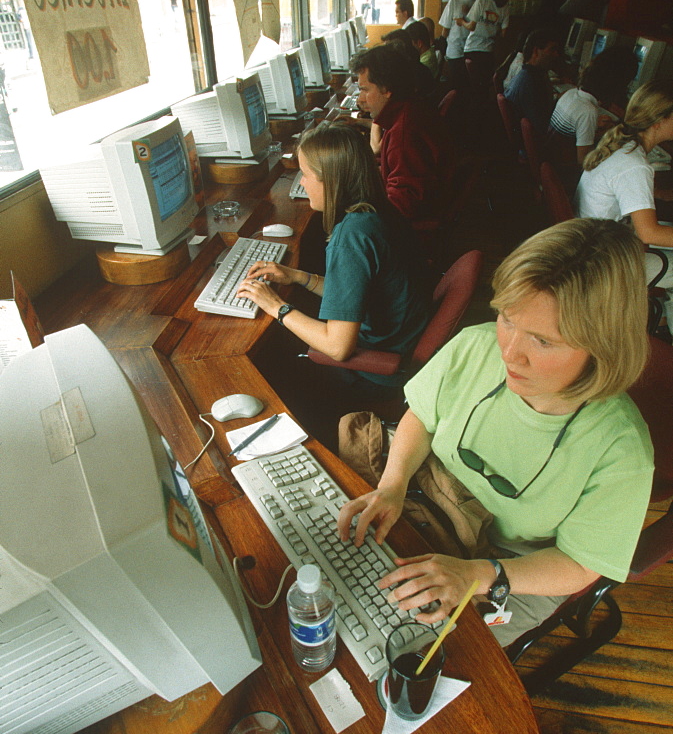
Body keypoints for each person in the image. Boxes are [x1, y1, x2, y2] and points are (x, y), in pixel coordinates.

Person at [336, 218, 654, 648]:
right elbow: (422, 416)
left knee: (413, 648)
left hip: (514, 564)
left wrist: (477, 574)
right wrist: (392, 486)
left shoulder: (621, 450)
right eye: (507, 318)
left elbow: (580, 564)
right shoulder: (475, 345)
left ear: (604, 344)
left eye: (542, 340)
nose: (509, 352)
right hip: (430, 497)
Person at [237, 123, 431, 449]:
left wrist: (275, 306)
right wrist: (300, 278)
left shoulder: (352, 235)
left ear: (331, 180)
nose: (301, 183)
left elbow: (339, 347)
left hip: (376, 374)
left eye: (306, 175)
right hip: (400, 342)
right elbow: (361, 288)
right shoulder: (375, 211)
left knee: (267, 363)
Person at [575, 79, 673, 329]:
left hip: (593, 244)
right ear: (660, 120)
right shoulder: (635, 164)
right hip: (604, 261)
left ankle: (659, 320)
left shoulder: (625, 145)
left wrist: (656, 193)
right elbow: (647, 232)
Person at [350, 44, 450, 220]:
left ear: (387, 89)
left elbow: (402, 206)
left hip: (410, 233)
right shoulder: (409, 110)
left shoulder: (403, 133)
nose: (360, 99)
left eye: (365, 90)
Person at [549, 46, 639, 170]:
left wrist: (601, 133)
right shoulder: (588, 111)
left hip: (554, 164)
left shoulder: (571, 93)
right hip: (565, 172)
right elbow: (584, 162)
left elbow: (574, 139)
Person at [460, 0, 509, 108]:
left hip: (472, 50)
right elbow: (503, 33)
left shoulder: (481, 1)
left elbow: (471, 26)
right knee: (483, 89)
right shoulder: (505, 6)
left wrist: (461, 21)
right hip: (488, 53)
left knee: (472, 88)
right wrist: (491, 31)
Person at [504, 28, 561, 134]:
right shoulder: (530, 82)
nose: (556, 54)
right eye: (552, 50)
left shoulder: (531, 74)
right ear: (535, 52)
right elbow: (542, 126)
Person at [438, 0, 479, 91]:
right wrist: (442, 46)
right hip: (454, 49)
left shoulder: (478, 1)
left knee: (469, 85)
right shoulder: (454, 1)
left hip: (472, 48)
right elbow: (446, 27)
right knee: (456, 84)